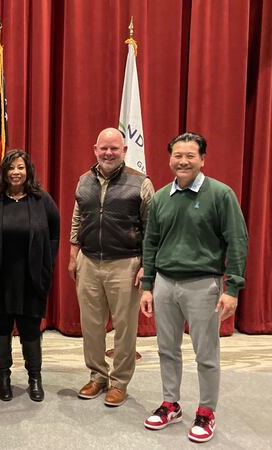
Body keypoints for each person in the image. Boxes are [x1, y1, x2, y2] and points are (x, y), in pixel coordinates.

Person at [140, 132, 248, 443]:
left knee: (206, 353)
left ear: (202, 159)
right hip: (164, 284)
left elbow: (237, 241)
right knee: (166, 349)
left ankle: (206, 410)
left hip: (204, 286)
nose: (183, 161)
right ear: (170, 158)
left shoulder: (221, 194)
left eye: (190, 155)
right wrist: (147, 286)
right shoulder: (161, 198)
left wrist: (233, 288)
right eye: (177, 155)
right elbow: (151, 243)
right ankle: (171, 403)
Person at [68, 127, 154, 407]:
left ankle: (119, 382)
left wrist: (146, 265)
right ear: (95, 149)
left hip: (126, 264)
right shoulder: (84, 180)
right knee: (91, 326)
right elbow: (78, 217)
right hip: (89, 261)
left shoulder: (140, 182)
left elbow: (152, 229)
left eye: (114, 148)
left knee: (124, 328)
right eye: (103, 148)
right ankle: (97, 376)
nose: (108, 153)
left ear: (124, 151)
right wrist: (73, 254)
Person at [0, 149, 60, 402]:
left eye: (21, 167)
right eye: (11, 167)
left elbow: (55, 232)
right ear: (3, 171)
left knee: (30, 330)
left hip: (31, 277)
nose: (16, 172)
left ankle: (34, 378)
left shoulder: (41, 199)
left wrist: (48, 262)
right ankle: (3, 378)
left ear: (28, 171)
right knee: (1, 329)